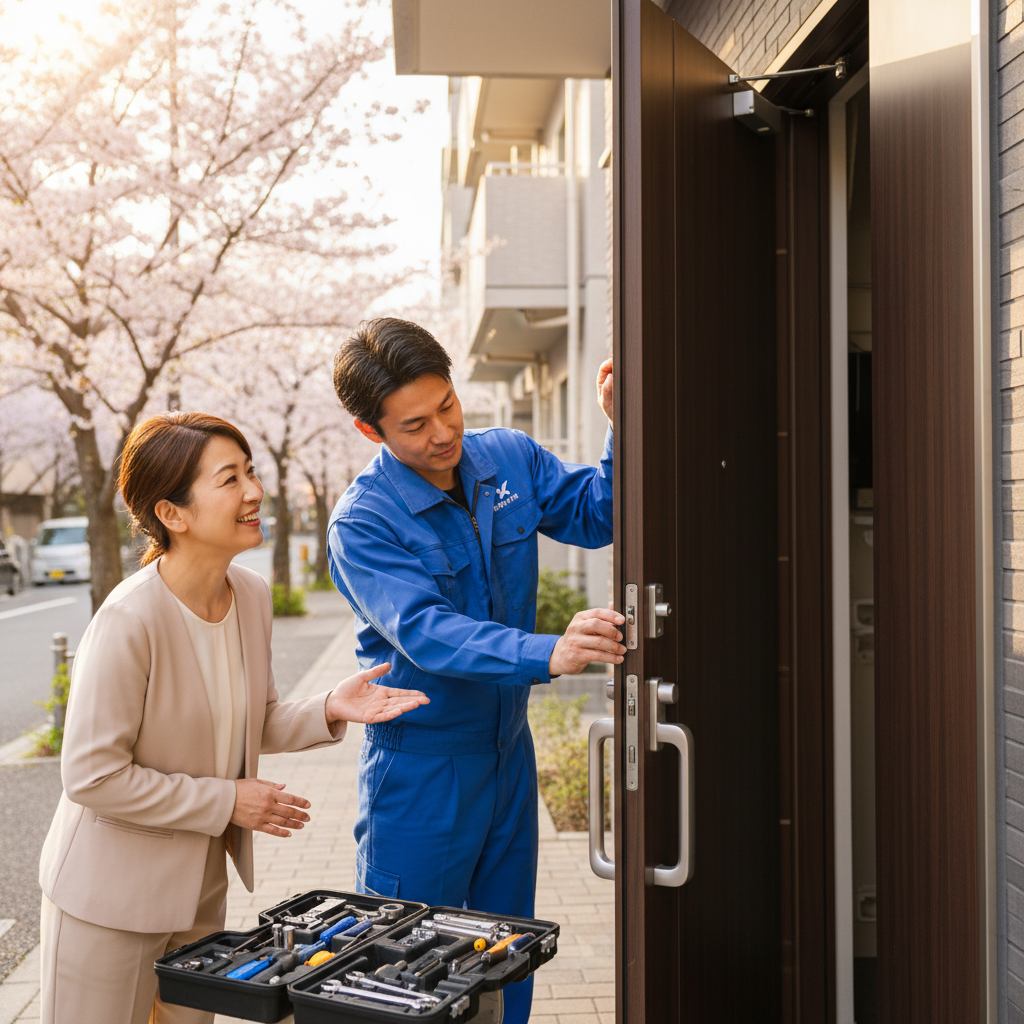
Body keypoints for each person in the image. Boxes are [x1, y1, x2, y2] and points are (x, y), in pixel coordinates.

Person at [37, 412, 429, 1024]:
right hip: (107, 900)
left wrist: (330, 706)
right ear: (173, 513)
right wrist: (228, 802)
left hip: (197, 892)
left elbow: (253, 719)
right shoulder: (128, 620)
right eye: (229, 479)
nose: (253, 491)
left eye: (250, 471)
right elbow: (92, 777)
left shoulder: (249, 595)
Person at [328, 318, 624, 1024]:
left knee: (503, 956)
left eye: (447, 407)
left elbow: (597, 514)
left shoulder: (509, 459)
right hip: (422, 774)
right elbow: (427, 633)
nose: (440, 434)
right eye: (413, 424)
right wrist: (545, 651)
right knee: (406, 972)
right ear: (373, 433)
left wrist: (622, 426)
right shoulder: (362, 522)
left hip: (506, 757)